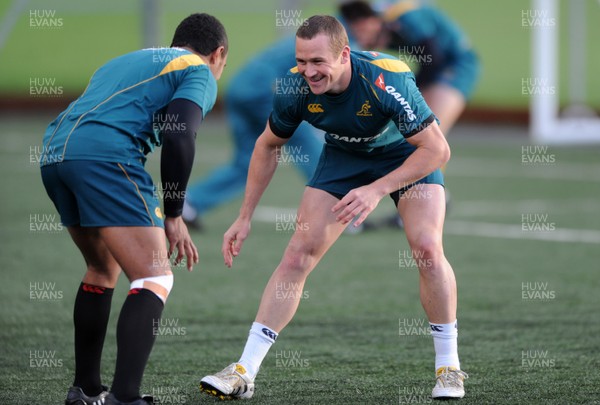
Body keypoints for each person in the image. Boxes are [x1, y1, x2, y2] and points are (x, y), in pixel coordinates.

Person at [199, 15, 467, 401]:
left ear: (344, 55)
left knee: (426, 247)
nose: (308, 71)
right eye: (301, 60)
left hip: (406, 156)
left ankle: (449, 369)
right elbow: (266, 146)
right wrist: (244, 217)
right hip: (345, 156)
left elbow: (438, 150)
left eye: (317, 62)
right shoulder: (294, 86)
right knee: (296, 255)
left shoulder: (385, 79)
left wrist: (376, 190)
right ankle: (244, 371)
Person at [40, 13, 228, 405]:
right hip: (105, 157)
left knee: (101, 268)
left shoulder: (126, 60)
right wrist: (175, 214)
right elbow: (179, 133)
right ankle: (124, 397)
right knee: (155, 276)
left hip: (55, 153)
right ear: (218, 54)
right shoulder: (199, 69)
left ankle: (86, 390)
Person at [182, 36, 323, 230]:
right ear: (363, 22)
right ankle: (334, 207)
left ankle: (190, 203)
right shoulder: (335, 40)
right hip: (261, 92)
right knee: (303, 138)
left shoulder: (315, 32)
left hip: (240, 87)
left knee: (248, 162)